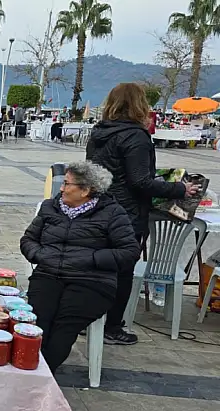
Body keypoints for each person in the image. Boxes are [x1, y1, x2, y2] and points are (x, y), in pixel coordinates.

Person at [86, 82, 201, 345]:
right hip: (125, 213)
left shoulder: (99, 133)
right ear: (140, 105)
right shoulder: (135, 136)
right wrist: (178, 188)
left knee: (98, 266)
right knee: (122, 271)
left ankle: (89, 318)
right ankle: (112, 327)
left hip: (99, 207)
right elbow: (140, 181)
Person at [21, 161, 141, 372]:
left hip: (91, 281)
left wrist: (92, 258)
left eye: (67, 184)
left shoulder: (112, 213)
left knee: (64, 326)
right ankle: (34, 371)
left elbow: (129, 252)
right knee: (38, 323)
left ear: (86, 190)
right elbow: (29, 239)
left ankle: (40, 373)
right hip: (49, 274)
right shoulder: (51, 207)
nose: (61, 188)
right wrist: (40, 254)